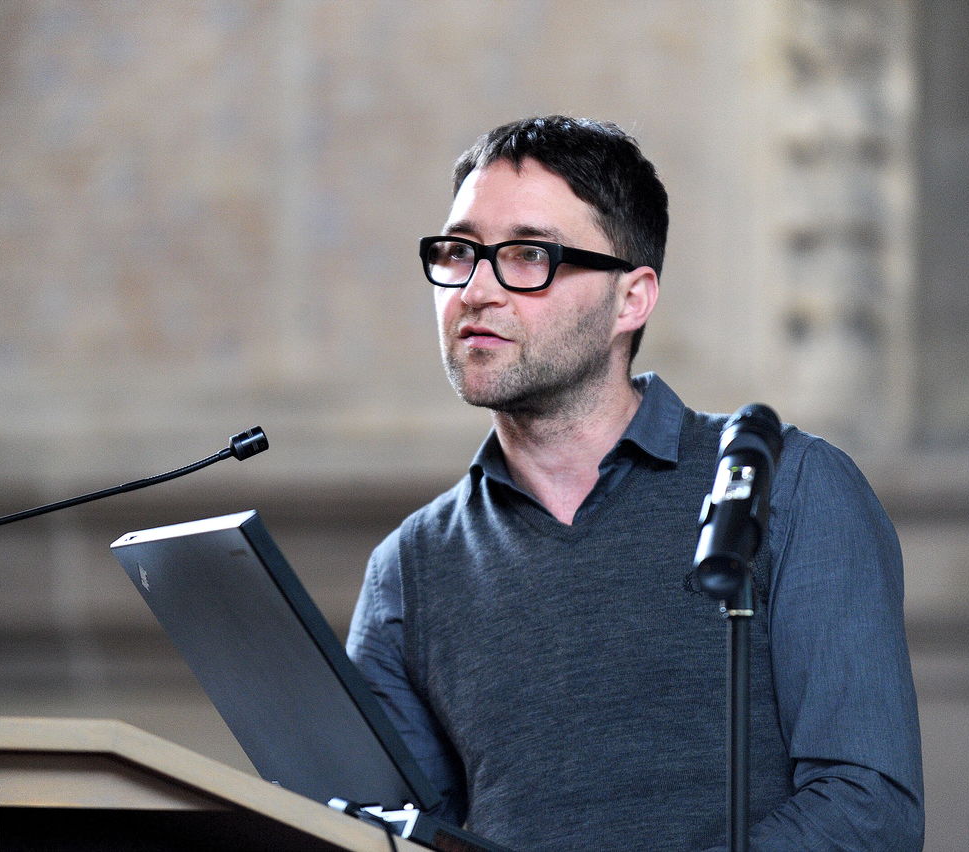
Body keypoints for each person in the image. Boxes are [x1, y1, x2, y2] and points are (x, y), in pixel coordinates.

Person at [346, 116, 924, 850]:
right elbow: (375, 834)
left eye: (527, 255)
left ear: (632, 299)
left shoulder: (791, 489)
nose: (475, 289)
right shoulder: (411, 566)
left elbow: (866, 814)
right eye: (459, 252)